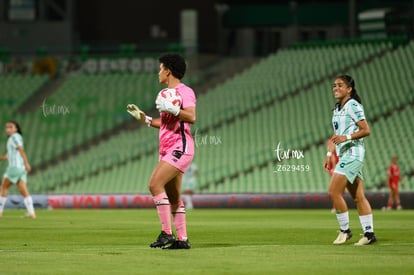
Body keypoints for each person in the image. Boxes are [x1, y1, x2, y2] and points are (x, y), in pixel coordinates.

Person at [127, 53, 196, 249]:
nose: (158, 72)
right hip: (167, 148)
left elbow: (191, 117)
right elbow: (165, 123)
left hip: (180, 146)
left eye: (160, 68)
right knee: (174, 198)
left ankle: (167, 233)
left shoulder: (185, 91)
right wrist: (144, 118)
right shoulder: (165, 94)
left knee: (154, 184)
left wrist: (173, 110)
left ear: (168, 71)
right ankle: (182, 239)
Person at [323, 75, 377, 246]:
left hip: (353, 153)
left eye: (340, 85)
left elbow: (366, 130)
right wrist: (330, 154)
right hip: (345, 153)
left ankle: (345, 231)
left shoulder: (353, 105)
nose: (335, 88)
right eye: (334, 85)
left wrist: (345, 137)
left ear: (349, 89)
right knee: (358, 197)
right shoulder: (337, 109)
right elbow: (335, 136)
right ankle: (369, 234)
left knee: (333, 192)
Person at [0, 121, 36, 218]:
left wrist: (26, 162)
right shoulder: (15, 138)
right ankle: (32, 213)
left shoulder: (14, 137)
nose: (8, 129)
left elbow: (21, 150)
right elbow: (9, 155)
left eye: (11, 127)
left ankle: (0, 212)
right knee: (23, 190)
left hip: (14, 167)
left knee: (3, 187)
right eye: (7, 127)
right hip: (21, 169)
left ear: (16, 129)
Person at [325, 138, 339, 213]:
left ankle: (337, 208)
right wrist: (331, 171)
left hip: (340, 175)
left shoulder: (338, 154)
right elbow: (325, 167)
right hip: (334, 176)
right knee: (333, 192)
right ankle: (336, 207)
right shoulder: (329, 155)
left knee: (336, 192)